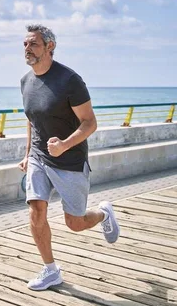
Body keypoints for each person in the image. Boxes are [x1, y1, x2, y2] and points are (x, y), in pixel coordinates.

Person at [18, 24, 120, 291]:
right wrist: (28, 154)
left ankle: (102, 214)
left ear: (50, 47)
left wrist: (64, 145)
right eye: (25, 44)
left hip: (70, 160)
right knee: (36, 209)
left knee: (74, 223)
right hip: (40, 157)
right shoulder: (25, 81)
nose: (27, 49)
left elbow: (89, 123)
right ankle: (51, 270)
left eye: (33, 44)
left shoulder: (70, 80)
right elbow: (32, 121)